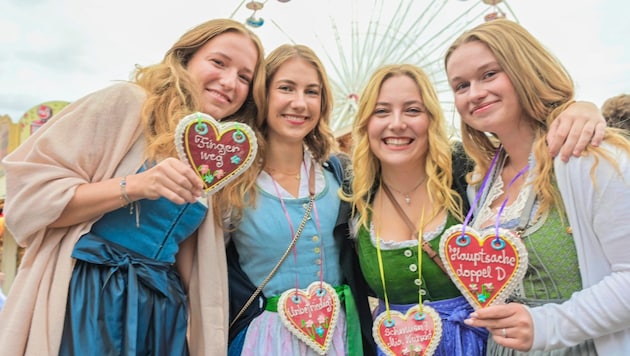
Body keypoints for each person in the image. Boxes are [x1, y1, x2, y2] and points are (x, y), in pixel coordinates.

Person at [0, 18, 265, 355]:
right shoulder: (128, 102)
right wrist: (136, 185)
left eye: (245, 77)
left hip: (161, 307)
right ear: (185, 59)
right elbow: (30, 195)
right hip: (89, 293)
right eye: (218, 63)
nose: (230, 82)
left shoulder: (219, 161)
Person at [445, 19, 630, 355]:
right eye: (461, 85)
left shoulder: (590, 160)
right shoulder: (481, 184)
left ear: (524, 69)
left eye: (489, 74)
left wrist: (548, 325)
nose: (475, 93)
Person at [222, 44, 375, 356]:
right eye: (286, 88)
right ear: (262, 94)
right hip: (266, 339)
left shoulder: (339, 174)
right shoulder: (231, 182)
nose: (299, 103)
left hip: (339, 335)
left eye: (312, 92)